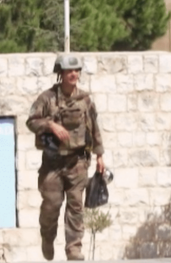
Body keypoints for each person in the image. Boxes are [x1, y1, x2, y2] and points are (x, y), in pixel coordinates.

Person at [27, 53, 105, 261]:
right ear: (60, 74)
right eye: (69, 70)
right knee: (51, 206)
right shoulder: (47, 98)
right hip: (52, 163)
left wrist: (99, 156)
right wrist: (50, 124)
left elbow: (95, 127)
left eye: (76, 70)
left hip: (77, 162)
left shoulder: (85, 100)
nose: (73, 74)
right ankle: (47, 237)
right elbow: (31, 121)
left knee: (76, 207)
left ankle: (74, 249)